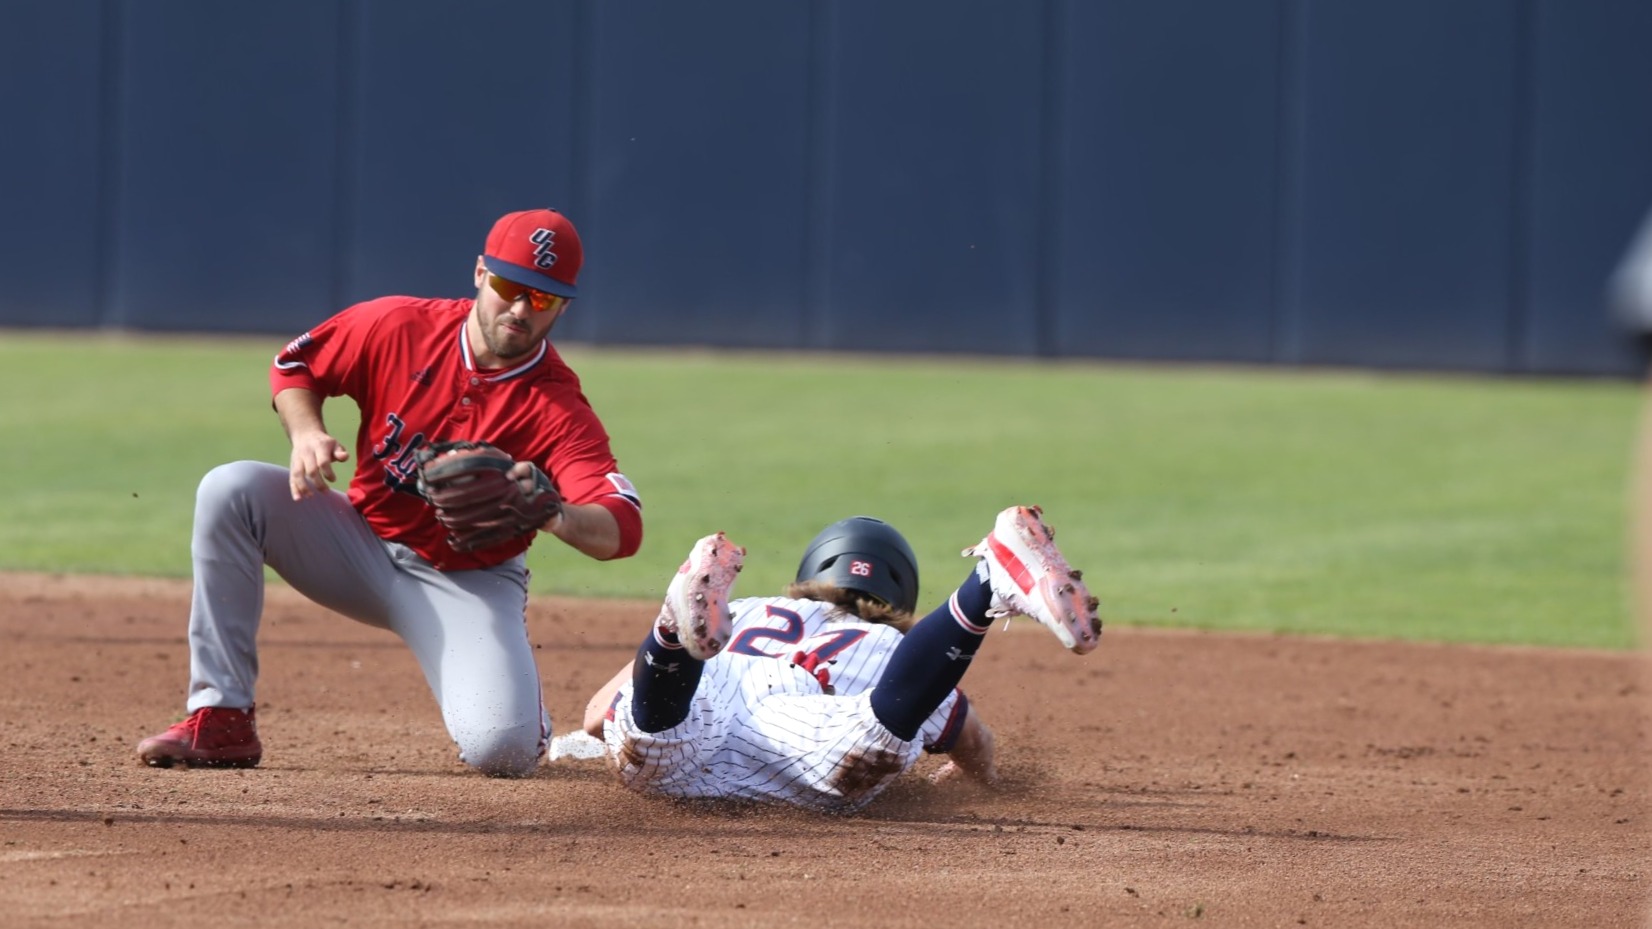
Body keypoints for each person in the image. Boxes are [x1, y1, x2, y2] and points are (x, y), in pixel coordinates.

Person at [136, 208, 644, 777]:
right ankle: (221, 718)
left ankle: (531, 721)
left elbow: (621, 526)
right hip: (356, 543)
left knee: (501, 751)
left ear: (564, 306)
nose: (521, 309)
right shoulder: (398, 325)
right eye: (509, 287)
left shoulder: (557, 406)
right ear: (480, 273)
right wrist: (306, 432)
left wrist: (555, 515)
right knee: (231, 488)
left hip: (467, 583)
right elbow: (296, 365)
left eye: (543, 299)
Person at [581, 505, 1101, 812]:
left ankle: (670, 637)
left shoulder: (744, 608)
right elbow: (967, 736)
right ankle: (985, 586)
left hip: (712, 684)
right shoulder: (891, 648)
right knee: (873, 739)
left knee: (651, 738)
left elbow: (593, 718)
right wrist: (980, 779)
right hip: (802, 716)